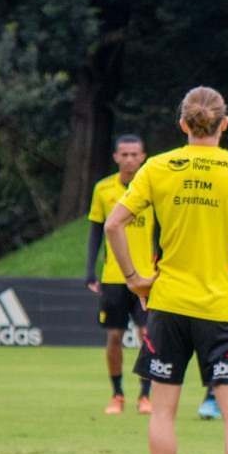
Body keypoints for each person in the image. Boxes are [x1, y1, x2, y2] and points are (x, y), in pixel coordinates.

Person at [104, 86, 228, 454]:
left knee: (162, 411)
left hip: (168, 304)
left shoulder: (157, 168)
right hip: (220, 308)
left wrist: (134, 277)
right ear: (225, 124)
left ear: (182, 124)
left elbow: (113, 224)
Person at [86, 134, 155, 415]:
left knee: (147, 335)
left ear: (143, 157)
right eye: (124, 154)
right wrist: (90, 270)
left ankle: (146, 395)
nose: (129, 159)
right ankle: (117, 394)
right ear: (115, 157)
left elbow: (162, 231)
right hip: (114, 277)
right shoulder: (103, 190)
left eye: (134, 154)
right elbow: (95, 231)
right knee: (114, 337)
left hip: (146, 276)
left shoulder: (153, 188)